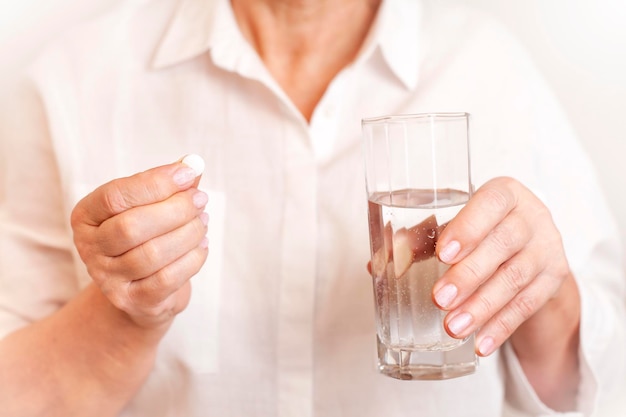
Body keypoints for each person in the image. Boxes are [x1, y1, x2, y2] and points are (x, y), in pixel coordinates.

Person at [0, 0, 624, 416]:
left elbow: (592, 388)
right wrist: (125, 316)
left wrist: (545, 293)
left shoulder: (489, 70)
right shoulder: (77, 81)